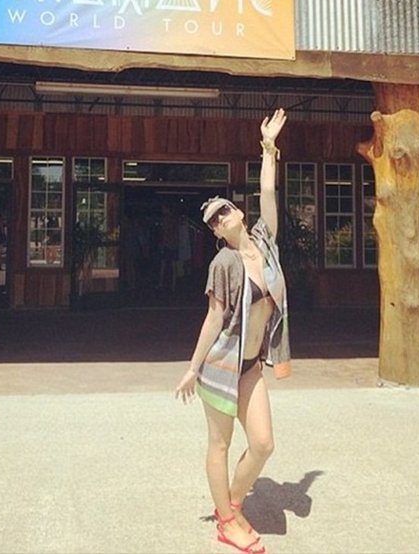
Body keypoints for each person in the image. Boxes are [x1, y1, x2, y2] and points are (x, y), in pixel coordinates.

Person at [175, 109, 291, 554]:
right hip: (222, 367)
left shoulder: (264, 243)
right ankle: (227, 522)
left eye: (224, 210)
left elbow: (268, 191)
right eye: (213, 220)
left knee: (263, 444)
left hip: (252, 367)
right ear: (216, 233)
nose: (220, 218)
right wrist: (193, 368)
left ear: (239, 212)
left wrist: (268, 148)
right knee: (220, 444)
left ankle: (232, 506)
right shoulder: (223, 263)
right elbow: (214, 318)